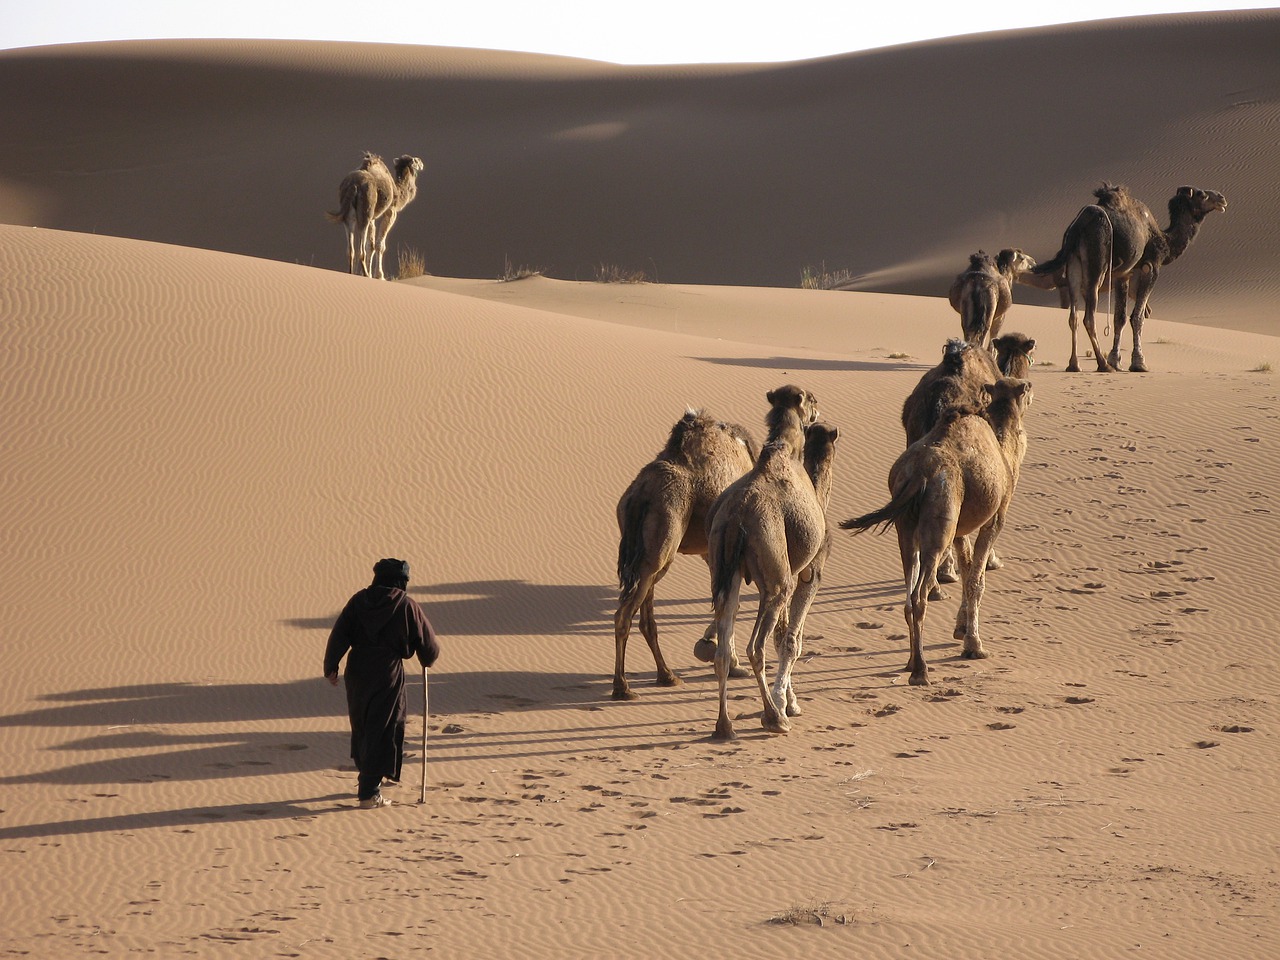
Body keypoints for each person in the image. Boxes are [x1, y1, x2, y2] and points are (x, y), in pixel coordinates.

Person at [324, 558, 440, 809]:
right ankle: (368, 792)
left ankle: (367, 781)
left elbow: (340, 633)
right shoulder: (406, 605)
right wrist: (426, 658)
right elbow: (428, 644)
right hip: (386, 672)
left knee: (363, 724)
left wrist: (331, 665)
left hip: (357, 671)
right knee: (384, 727)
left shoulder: (358, 601)